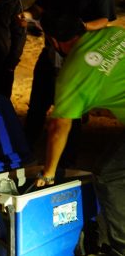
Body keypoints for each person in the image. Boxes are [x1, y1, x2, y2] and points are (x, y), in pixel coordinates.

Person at [34, 14, 125, 256]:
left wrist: (49, 172)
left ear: (53, 40)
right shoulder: (114, 33)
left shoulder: (72, 72)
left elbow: (58, 128)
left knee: (109, 175)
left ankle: (120, 248)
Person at [22, 0, 115, 166]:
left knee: (70, 114)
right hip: (50, 54)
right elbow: (38, 8)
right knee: (36, 107)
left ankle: (67, 162)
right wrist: (26, 15)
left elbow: (104, 19)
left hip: (77, 58)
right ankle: (24, 151)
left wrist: (82, 27)